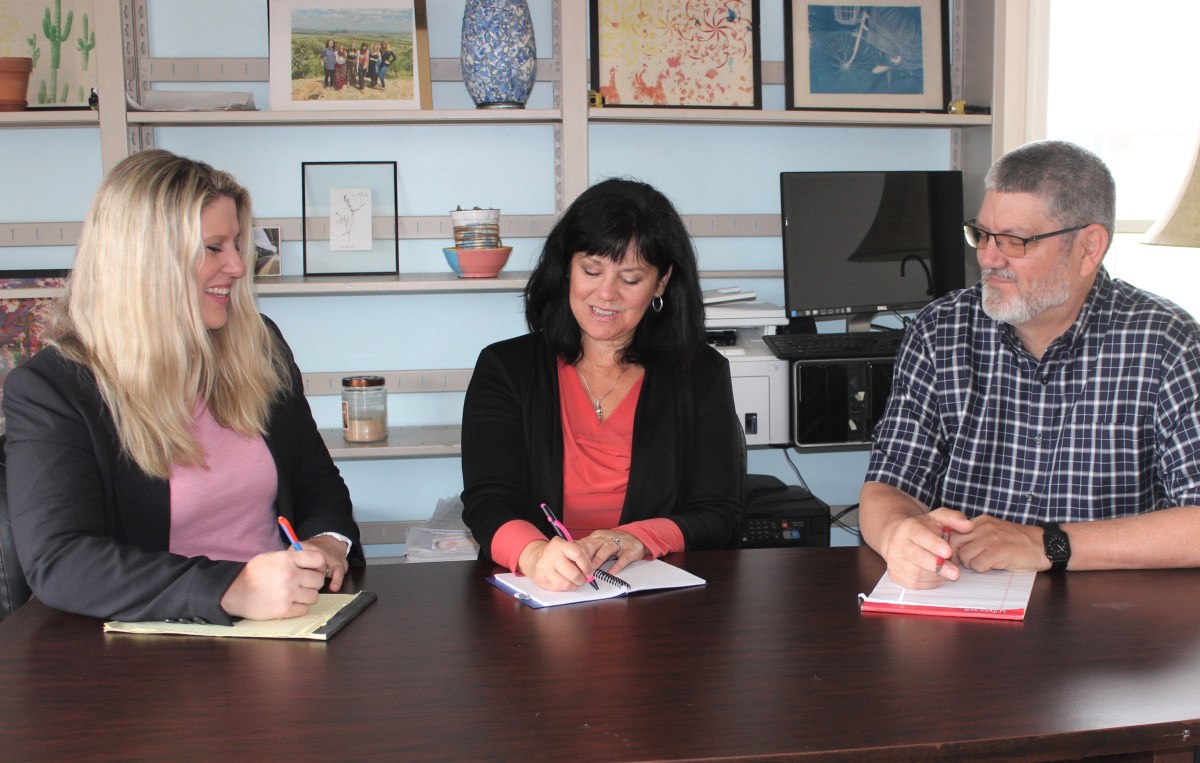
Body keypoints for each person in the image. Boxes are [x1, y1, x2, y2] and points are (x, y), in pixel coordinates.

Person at [3, 149, 363, 623]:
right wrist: (228, 589)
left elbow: (317, 483)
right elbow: (61, 561)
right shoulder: (54, 389)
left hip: (287, 623)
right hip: (155, 641)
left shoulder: (259, 346)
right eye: (214, 247)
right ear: (145, 262)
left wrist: (328, 542)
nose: (237, 266)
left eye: (237, 243)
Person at [859, 139, 1200, 589]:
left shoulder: (1167, 343)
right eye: (982, 234)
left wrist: (1046, 544)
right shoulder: (940, 330)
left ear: (1089, 247)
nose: (988, 257)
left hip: (1108, 610)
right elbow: (888, 484)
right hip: (963, 594)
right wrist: (897, 535)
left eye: (1015, 241)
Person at [461, 178, 743, 592]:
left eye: (630, 279)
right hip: (536, 592)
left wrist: (637, 538)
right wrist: (534, 553)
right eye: (592, 271)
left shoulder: (701, 373)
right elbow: (487, 500)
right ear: (567, 268)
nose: (606, 294)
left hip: (654, 596)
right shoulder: (506, 367)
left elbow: (720, 513)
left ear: (661, 282)